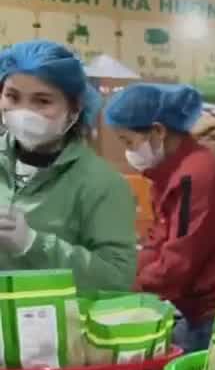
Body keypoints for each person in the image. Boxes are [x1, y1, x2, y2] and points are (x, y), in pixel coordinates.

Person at [104, 83, 215, 352]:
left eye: (128, 142)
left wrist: (125, 292)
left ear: (158, 130)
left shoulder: (195, 177)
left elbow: (178, 261)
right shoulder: (169, 175)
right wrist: (120, 274)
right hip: (204, 308)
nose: (128, 152)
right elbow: (159, 242)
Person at [0, 40, 136, 291]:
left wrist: (33, 244)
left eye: (42, 101)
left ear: (74, 110)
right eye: (12, 96)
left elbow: (116, 279)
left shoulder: (101, 184)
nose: (23, 111)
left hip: (51, 324)